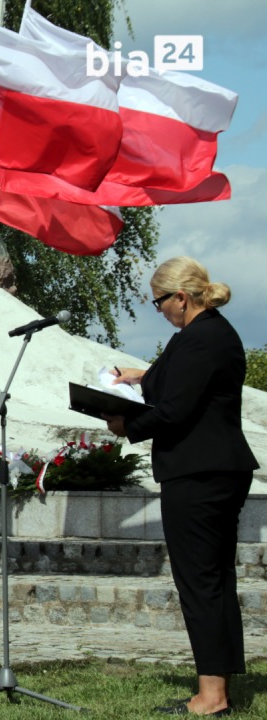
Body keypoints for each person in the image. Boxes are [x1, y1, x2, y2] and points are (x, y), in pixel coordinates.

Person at [105, 257, 258, 717]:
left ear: (182, 298)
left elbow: (174, 409)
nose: (160, 311)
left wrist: (124, 425)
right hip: (216, 468)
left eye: (159, 302)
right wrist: (137, 378)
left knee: (200, 582)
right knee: (214, 579)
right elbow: (171, 382)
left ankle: (211, 697)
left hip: (199, 472)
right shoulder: (210, 333)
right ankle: (219, 687)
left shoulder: (199, 339)